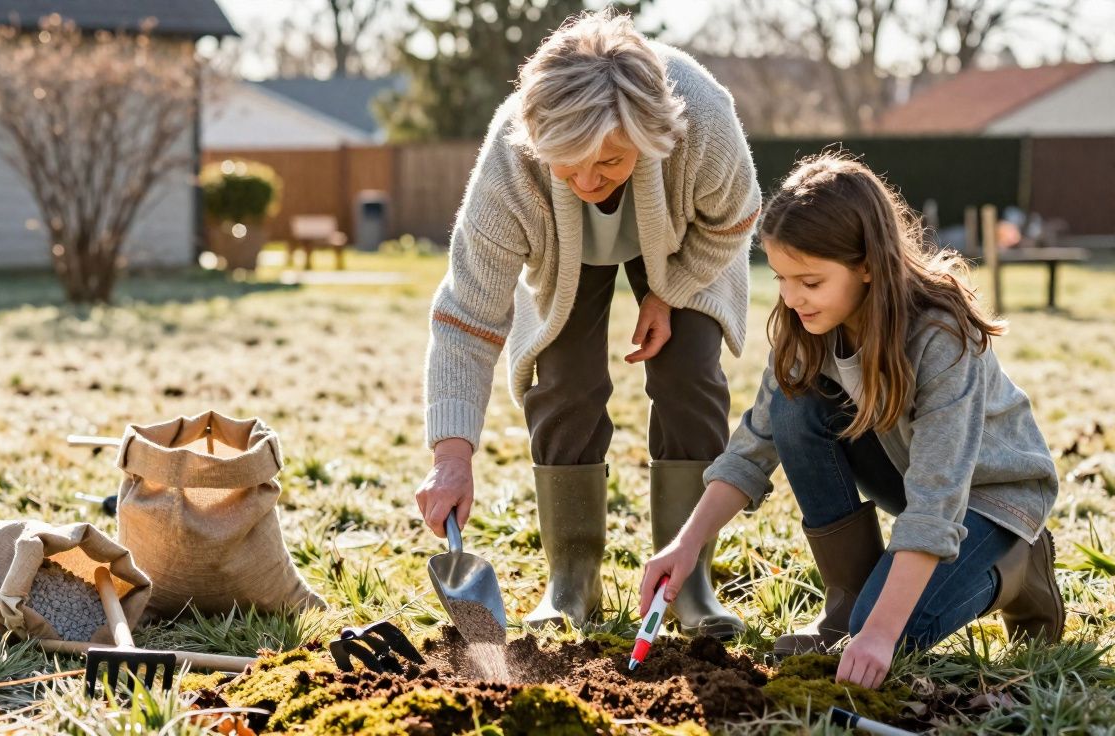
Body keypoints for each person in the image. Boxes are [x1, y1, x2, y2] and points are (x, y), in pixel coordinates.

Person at [639, 153, 1064, 688]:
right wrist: (686, 545)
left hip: (991, 496)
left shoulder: (942, 339)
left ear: (867, 265)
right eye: (782, 279)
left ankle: (1022, 571)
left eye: (811, 281)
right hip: (904, 470)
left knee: (886, 633)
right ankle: (849, 607)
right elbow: (752, 448)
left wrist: (881, 633)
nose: (792, 299)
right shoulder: (808, 331)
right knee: (793, 407)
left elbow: (939, 496)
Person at [414, 9, 761, 634]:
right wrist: (452, 456)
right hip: (563, 261)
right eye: (567, 167)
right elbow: (467, 315)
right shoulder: (512, 161)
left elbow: (734, 219)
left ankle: (688, 584)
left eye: (607, 163)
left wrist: (671, 291)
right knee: (565, 386)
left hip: (684, 247)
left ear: (649, 136)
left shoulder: (700, 117)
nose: (586, 183)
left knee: (690, 378)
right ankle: (573, 579)